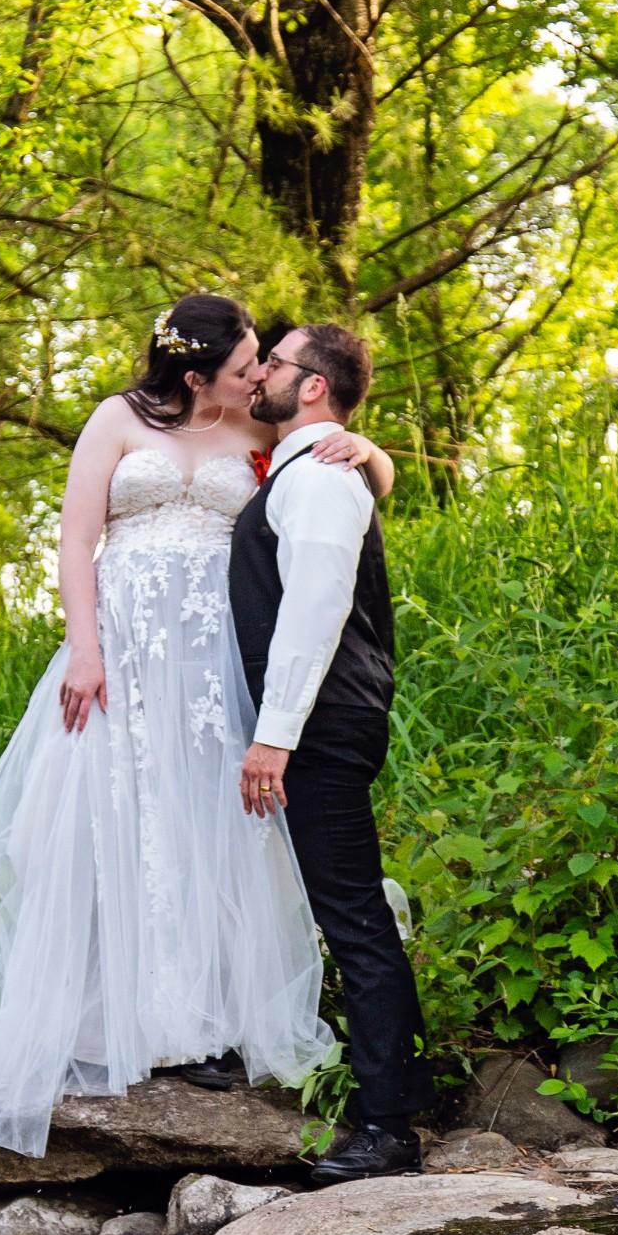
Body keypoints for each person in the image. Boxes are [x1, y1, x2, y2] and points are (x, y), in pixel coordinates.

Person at [0, 294, 396, 1161]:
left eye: (264, 363)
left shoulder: (257, 434)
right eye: (242, 367)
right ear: (195, 375)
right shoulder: (117, 421)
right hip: (117, 650)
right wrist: (84, 649)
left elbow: (346, 486)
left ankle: (207, 1024)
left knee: (209, 826)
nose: (256, 375)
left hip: (213, 658)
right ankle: (111, 1021)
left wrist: (369, 449)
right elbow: (77, 541)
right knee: (108, 821)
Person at [229, 322, 434, 1178]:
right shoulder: (314, 468)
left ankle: (388, 1129)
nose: (260, 374)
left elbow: (314, 613)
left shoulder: (316, 480)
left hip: (319, 724)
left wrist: (273, 738)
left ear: (312, 385)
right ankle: (386, 1105)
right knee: (343, 911)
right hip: (322, 721)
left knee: (351, 917)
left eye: (272, 362)